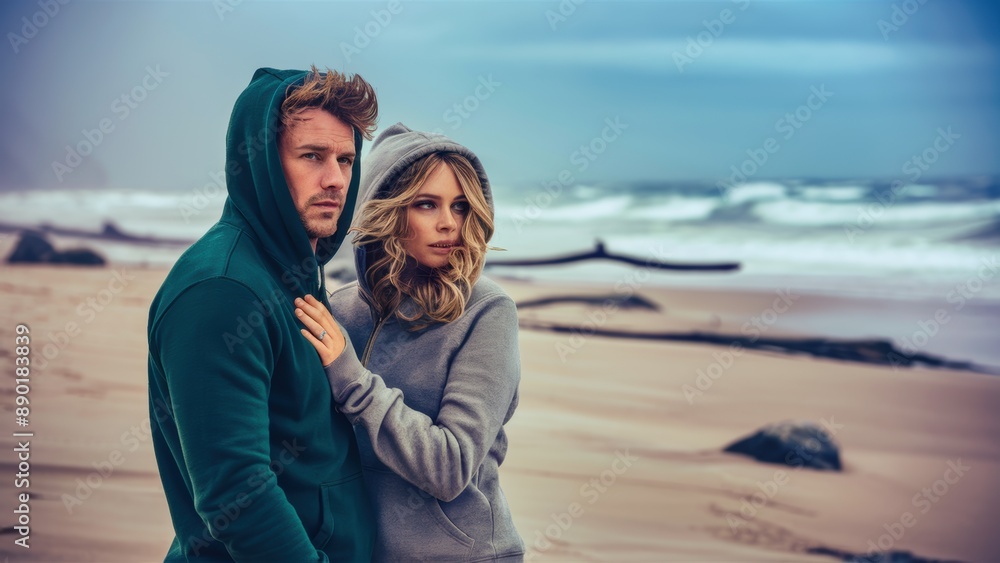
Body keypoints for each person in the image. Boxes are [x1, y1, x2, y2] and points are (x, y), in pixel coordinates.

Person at [147, 66, 378, 562]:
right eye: (312, 156)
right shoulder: (221, 291)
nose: (336, 179)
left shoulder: (291, 274)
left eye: (345, 159)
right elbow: (236, 494)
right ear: (264, 164)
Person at [294, 123, 525, 561]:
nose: (448, 224)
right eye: (426, 204)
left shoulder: (487, 312)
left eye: (460, 206)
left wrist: (352, 380)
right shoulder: (340, 312)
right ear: (387, 211)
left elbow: (450, 466)